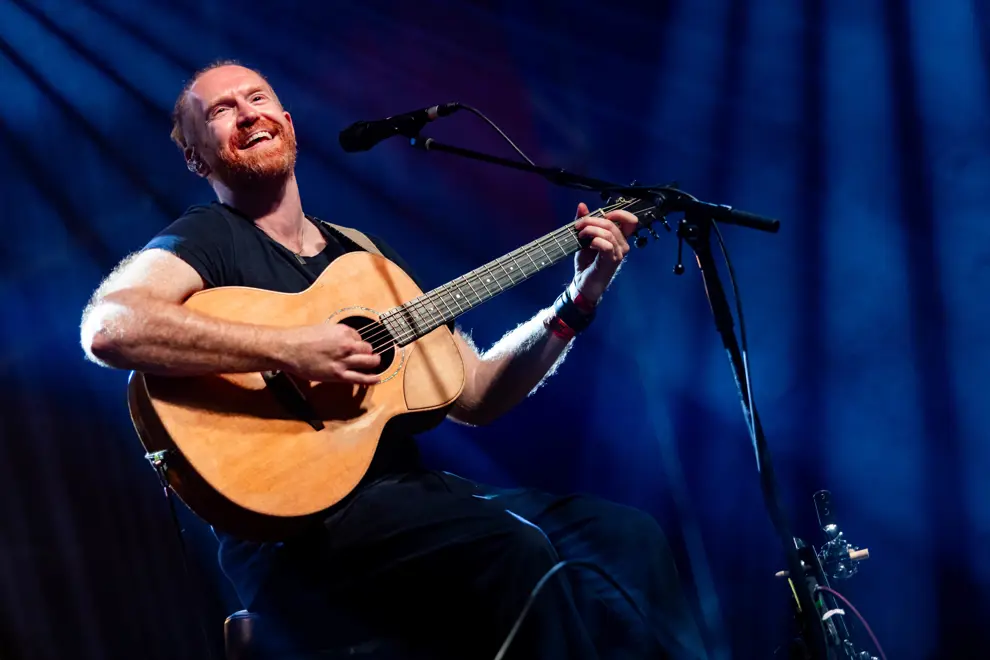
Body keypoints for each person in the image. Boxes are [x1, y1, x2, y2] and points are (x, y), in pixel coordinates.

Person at [80, 61, 707, 659]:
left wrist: (577, 300)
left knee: (626, 539)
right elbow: (111, 327)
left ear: (289, 124)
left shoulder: (364, 259)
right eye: (221, 110)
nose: (247, 114)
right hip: (297, 535)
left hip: (412, 504)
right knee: (512, 547)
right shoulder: (207, 237)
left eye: (257, 98)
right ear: (195, 156)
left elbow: (479, 393)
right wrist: (290, 347)